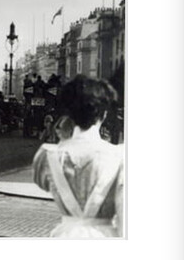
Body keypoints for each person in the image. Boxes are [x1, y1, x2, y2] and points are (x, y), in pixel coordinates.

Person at [32, 75, 124, 238]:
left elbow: (45, 184)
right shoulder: (119, 157)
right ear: (103, 115)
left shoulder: (48, 156)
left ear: (70, 115)